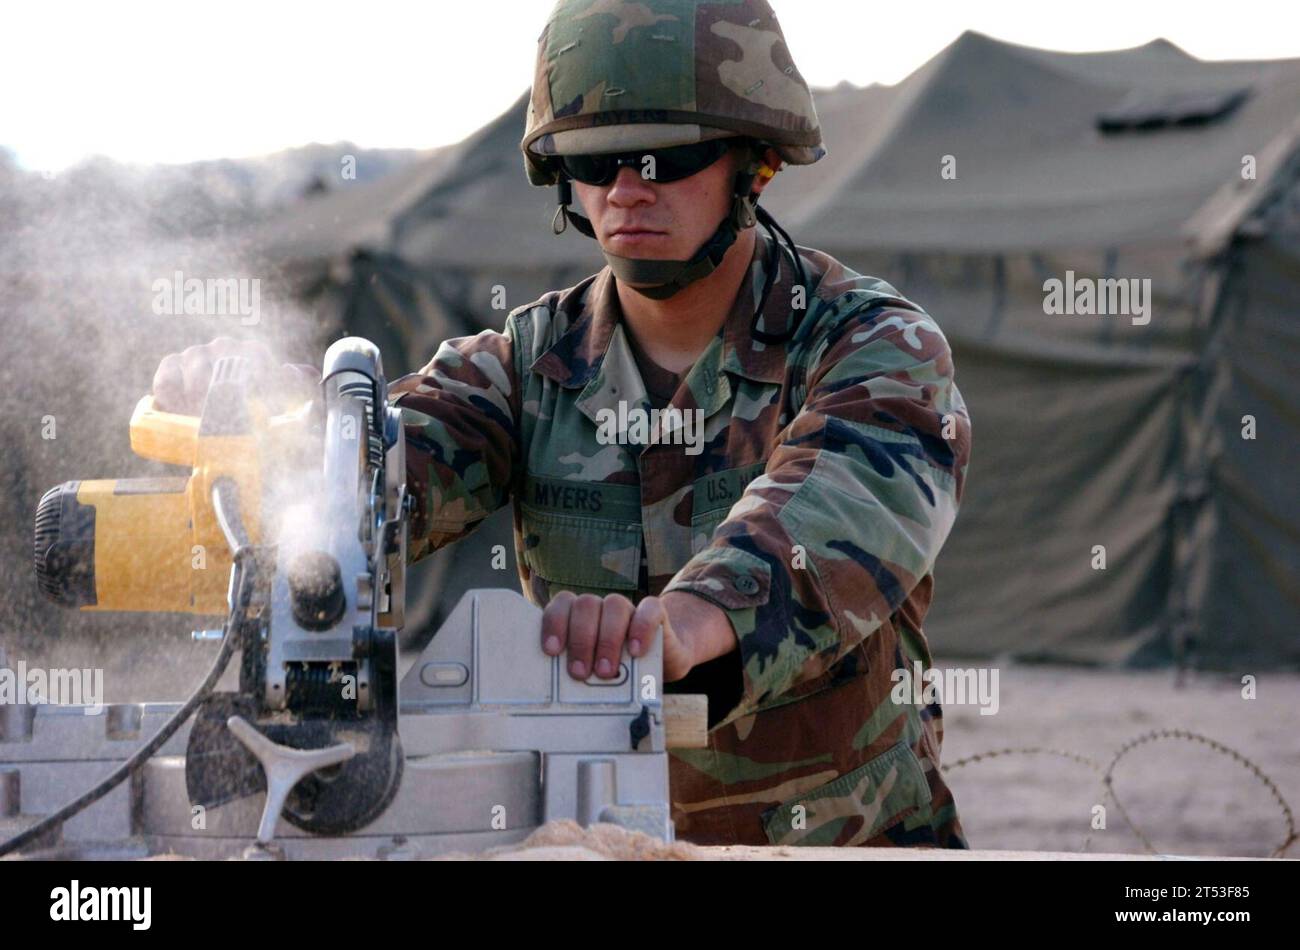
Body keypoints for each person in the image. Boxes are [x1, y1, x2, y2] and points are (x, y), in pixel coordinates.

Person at [153, 0, 972, 848]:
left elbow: (849, 501)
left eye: (664, 157)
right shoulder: (520, 366)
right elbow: (376, 472)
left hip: (844, 842)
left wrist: (686, 624)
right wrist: (280, 432)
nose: (625, 190)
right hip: (593, 837)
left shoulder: (871, 343)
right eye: (594, 160)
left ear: (755, 162)